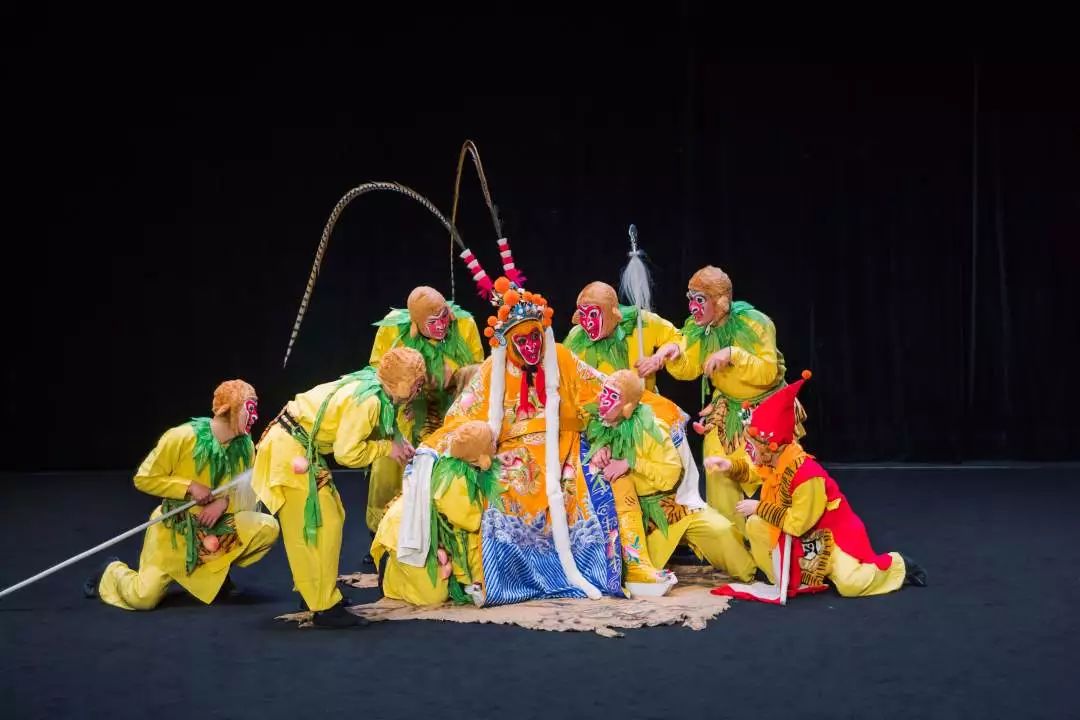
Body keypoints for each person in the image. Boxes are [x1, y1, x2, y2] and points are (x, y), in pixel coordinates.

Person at [712, 371, 927, 603]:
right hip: (804, 537)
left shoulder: (807, 476)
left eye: (753, 444)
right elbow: (753, 470)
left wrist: (760, 507)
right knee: (756, 525)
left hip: (832, 537)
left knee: (850, 585)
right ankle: (784, 578)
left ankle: (897, 566)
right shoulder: (775, 462)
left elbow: (797, 524)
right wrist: (729, 465)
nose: (749, 449)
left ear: (770, 447)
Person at [252, 347, 426, 627]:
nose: (420, 387)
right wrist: (386, 448)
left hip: (302, 449)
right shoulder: (368, 402)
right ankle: (322, 606)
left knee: (330, 517)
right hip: (289, 449)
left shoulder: (377, 384)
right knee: (314, 525)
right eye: (416, 381)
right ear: (401, 382)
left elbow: (386, 418)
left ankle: (317, 593)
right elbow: (347, 454)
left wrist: (398, 438)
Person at [86, 380, 280, 610]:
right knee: (142, 598)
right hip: (172, 531)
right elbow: (144, 478)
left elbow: (245, 489)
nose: (255, 416)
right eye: (249, 408)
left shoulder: (245, 445)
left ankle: (216, 571)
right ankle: (110, 572)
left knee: (266, 528)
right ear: (227, 410)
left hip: (214, 526)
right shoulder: (181, 437)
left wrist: (223, 502)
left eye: (255, 408)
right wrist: (188, 486)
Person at [585, 370, 756, 590]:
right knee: (627, 575)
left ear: (628, 407)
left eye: (614, 396)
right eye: (605, 392)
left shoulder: (651, 427)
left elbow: (669, 475)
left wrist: (631, 462)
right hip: (629, 516)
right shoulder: (598, 423)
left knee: (723, 535)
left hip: (669, 506)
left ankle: (760, 569)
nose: (604, 401)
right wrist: (598, 450)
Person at [664, 265, 800, 531]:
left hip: (766, 409)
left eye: (700, 299)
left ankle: (780, 536)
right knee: (716, 466)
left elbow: (768, 371)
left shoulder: (756, 323)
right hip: (726, 409)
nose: (693, 307)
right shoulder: (698, 328)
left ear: (722, 302)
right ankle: (731, 540)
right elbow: (691, 367)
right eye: (690, 299)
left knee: (772, 471)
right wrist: (676, 356)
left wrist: (733, 354)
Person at [364, 286, 484, 548]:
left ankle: (445, 535)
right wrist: (402, 397)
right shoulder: (392, 331)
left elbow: (478, 373)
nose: (442, 325)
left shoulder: (464, 324)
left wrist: (455, 385)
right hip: (407, 410)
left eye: (444, 316)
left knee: (449, 467)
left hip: (451, 407)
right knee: (389, 465)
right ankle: (382, 534)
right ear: (416, 324)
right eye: (433, 322)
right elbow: (380, 373)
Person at [564, 280, 681, 393]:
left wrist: (659, 357)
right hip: (598, 407)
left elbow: (678, 338)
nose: (587, 322)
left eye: (593, 314)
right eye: (583, 314)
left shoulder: (641, 322)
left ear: (613, 313)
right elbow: (561, 372)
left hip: (645, 403)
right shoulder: (577, 336)